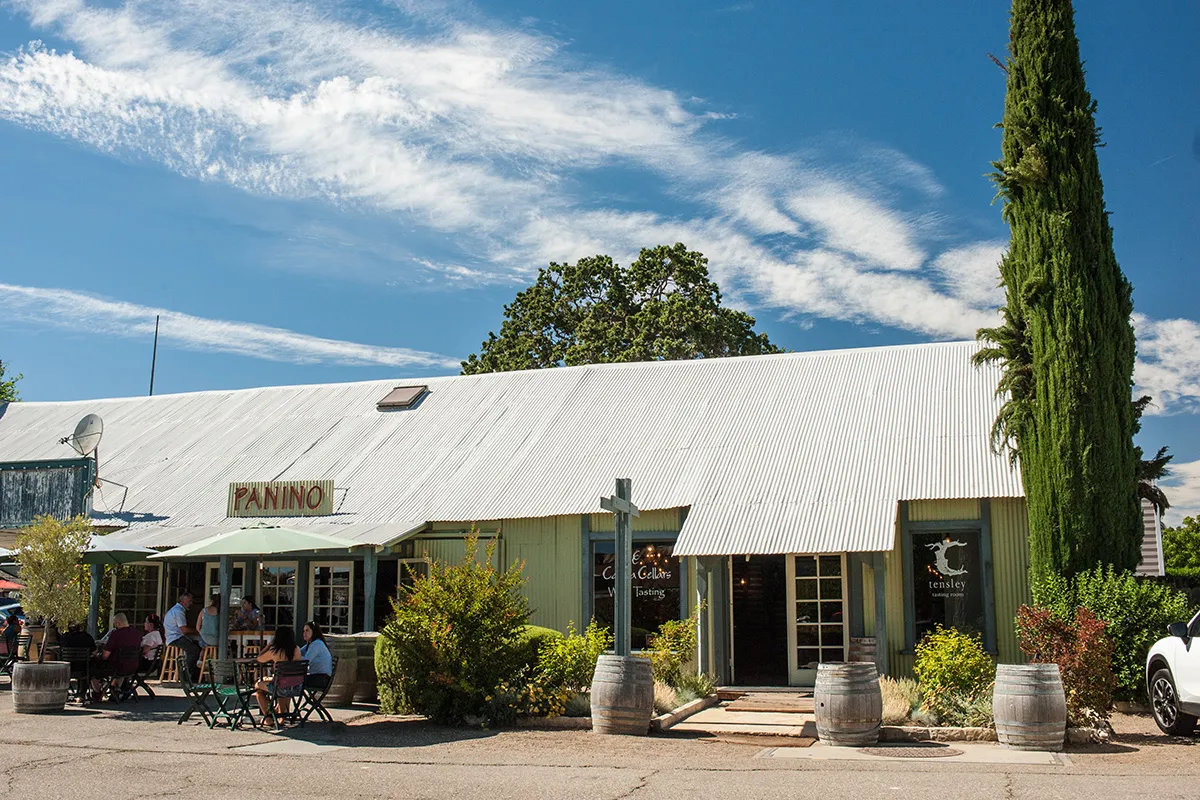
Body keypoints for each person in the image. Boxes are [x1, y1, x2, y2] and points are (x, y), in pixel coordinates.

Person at [89, 613, 142, 700]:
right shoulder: (137, 634)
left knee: (92, 669)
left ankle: (97, 693)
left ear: (118, 623)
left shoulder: (116, 634)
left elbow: (105, 655)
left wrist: (97, 655)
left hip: (116, 667)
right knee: (121, 667)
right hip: (133, 667)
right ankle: (115, 690)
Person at [254, 625, 303, 718]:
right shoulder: (297, 649)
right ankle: (281, 715)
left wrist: (269, 645)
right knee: (282, 683)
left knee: (258, 687)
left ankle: (269, 717)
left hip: (281, 688)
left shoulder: (275, 652)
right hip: (296, 687)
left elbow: (259, 658)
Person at [163, 591, 200, 680]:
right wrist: (198, 630)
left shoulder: (175, 609)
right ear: (183, 601)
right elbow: (184, 630)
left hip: (172, 637)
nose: (191, 603)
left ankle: (191, 673)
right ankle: (186, 674)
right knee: (194, 650)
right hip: (174, 638)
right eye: (189, 601)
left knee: (193, 645)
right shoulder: (179, 611)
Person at [300, 621, 332, 689]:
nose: (304, 633)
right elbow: (299, 652)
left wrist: (294, 657)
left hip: (321, 679)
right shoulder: (311, 644)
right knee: (293, 679)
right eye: (304, 631)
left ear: (314, 632)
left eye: (307, 630)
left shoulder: (317, 644)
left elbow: (305, 661)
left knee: (292, 680)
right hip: (318, 677)